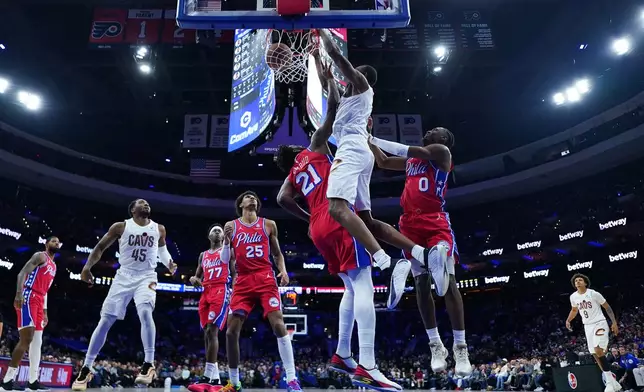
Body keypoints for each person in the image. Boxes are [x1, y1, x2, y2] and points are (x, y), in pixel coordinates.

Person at [275, 55, 401, 391]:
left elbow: (281, 200)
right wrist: (322, 71)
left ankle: (343, 353)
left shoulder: (292, 176)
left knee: (349, 284)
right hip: (337, 218)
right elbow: (331, 111)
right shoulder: (315, 146)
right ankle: (369, 365)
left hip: (318, 227)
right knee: (362, 284)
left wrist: (306, 216)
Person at [316, 28, 449, 296]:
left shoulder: (364, 90)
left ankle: (383, 259)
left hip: (353, 151)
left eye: (355, 73)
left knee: (336, 208)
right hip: (360, 152)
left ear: (361, 77)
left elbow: (339, 59)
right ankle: (421, 253)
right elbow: (329, 85)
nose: (348, 77)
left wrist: (320, 30)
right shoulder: (347, 101)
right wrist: (318, 63)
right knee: (367, 220)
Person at [368, 127, 471, 376]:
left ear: (444, 139)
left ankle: (460, 347)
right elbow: (382, 161)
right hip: (409, 224)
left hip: (435, 221)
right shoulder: (413, 161)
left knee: (448, 284)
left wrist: (371, 138)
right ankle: (435, 345)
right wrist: (365, 137)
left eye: (437, 130)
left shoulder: (439, 152)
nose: (430, 130)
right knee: (421, 285)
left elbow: (417, 150)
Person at [71, 199, 177, 391]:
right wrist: (87, 267)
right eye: (141, 203)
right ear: (132, 209)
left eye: (147, 203)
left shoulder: (159, 228)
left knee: (145, 312)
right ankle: (86, 367)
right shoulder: (121, 226)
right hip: (124, 276)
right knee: (105, 321)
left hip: (147, 276)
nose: (146, 205)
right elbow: (100, 247)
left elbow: (162, 250)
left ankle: (148, 363)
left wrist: (169, 263)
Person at [221, 191, 301, 392]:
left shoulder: (268, 224)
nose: (253, 199)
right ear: (240, 204)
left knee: (279, 325)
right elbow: (224, 260)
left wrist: (283, 270)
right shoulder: (231, 226)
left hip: (265, 277)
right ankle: (234, 382)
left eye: (255, 197)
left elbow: (277, 254)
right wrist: (225, 241)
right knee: (231, 332)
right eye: (248, 197)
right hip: (243, 280)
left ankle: (292, 379)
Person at [1, 236, 60, 392]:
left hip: (40, 300)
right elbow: (21, 274)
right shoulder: (40, 256)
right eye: (53, 241)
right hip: (29, 296)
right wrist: (19, 293)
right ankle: (7, 379)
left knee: (38, 342)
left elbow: (46, 291)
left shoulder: (54, 266)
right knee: (27, 338)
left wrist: (45, 312)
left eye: (58, 242)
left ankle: (33, 381)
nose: (56, 243)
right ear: (46, 244)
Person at [187, 224, 233, 391]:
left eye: (219, 230)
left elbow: (234, 274)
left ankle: (207, 376)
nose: (216, 231)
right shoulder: (203, 255)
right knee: (207, 333)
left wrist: (234, 294)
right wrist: (194, 279)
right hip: (206, 292)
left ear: (222, 237)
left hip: (221, 290)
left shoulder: (228, 252)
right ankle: (216, 379)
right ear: (208, 236)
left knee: (211, 331)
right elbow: (197, 277)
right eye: (213, 230)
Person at [566, 273, 622, 392]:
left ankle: (610, 382)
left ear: (585, 283)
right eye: (576, 281)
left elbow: (607, 307)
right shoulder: (573, 297)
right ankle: (612, 382)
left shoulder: (593, 293)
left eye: (580, 280)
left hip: (599, 323)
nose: (578, 282)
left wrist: (614, 322)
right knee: (595, 354)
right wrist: (568, 320)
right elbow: (574, 309)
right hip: (588, 326)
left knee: (597, 349)